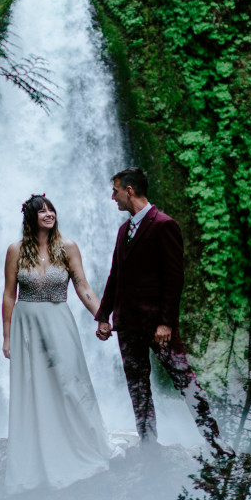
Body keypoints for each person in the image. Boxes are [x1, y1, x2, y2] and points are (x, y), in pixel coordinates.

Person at [93, 167, 231, 458]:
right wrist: (104, 316)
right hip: (128, 325)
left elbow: (174, 278)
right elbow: (114, 276)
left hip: (158, 327)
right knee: (138, 388)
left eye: (115, 191)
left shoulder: (164, 225)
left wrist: (166, 322)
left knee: (185, 380)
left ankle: (215, 442)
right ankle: (148, 445)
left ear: (129, 191)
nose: (112, 197)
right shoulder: (123, 230)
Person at [2, 194, 113, 492]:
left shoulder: (68, 248)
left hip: (59, 321)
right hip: (26, 323)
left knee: (69, 381)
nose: (48, 213)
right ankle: (39, 450)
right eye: (42, 210)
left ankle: (83, 441)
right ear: (31, 217)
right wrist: (7, 337)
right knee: (34, 384)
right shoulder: (15, 251)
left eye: (51, 209)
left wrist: (102, 317)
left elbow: (83, 287)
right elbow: (9, 295)